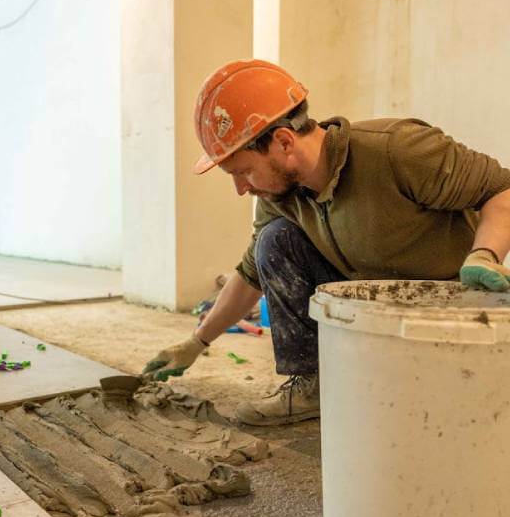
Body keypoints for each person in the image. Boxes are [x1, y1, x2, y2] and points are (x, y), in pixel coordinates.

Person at [142, 59, 510, 426]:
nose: (241, 188)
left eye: (242, 171)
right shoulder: (277, 195)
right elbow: (252, 272)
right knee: (274, 241)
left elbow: (501, 189)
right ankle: (314, 386)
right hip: (369, 304)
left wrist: (485, 253)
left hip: (444, 306)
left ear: (284, 141)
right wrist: (197, 342)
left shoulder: (398, 150)